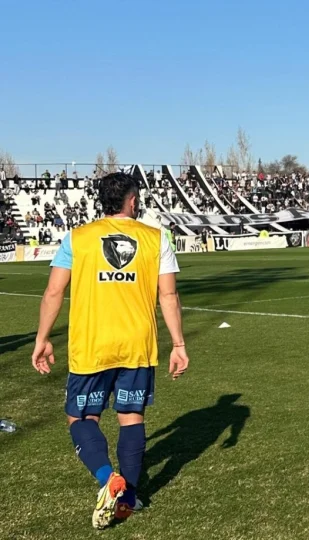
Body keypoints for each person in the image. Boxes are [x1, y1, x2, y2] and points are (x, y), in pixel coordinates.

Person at [30, 172, 189, 530]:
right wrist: (178, 344)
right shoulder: (156, 238)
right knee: (131, 417)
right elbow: (168, 295)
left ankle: (108, 479)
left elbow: (54, 292)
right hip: (137, 344)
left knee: (82, 418)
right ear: (132, 200)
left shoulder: (77, 238)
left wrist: (42, 338)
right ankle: (128, 497)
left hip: (91, 344)